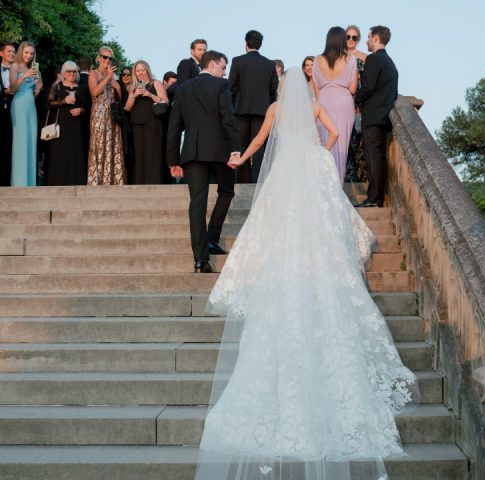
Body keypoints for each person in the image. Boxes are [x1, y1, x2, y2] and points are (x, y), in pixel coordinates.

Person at [195, 67, 419, 480]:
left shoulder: (277, 108)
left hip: (284, 177)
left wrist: (239, 157)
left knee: (278, 226)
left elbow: (260, 142)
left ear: (283, 90)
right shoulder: (315, 105)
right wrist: (319, 153)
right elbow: (335, 137)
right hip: (309, 173)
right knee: (318, 227)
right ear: (307, 89)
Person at [167, 50, 241, 272]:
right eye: (222, 66)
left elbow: (174, 127)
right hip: (220, 151)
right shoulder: (221, 85)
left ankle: (201, 260)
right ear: (211, 64)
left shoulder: (182, 89)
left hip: (192, 151)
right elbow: (228, 119)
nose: (225, 70)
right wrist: (236, 149)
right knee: (226, 191)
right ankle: (211, 238)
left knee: (196, 203)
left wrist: (173, 160)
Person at [355, 26, 397, 208]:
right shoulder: (390, 62)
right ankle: (377, 197)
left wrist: (356, 99)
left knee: (373, 158)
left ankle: (373, 198)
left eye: (368, 37)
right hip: (384, 117)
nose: (366, 41)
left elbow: (368, 86)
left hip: (372, 116)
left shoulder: (373, 59)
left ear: (376, 38)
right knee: (379, 157)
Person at [229, 30, 278, 183]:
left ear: (246, 44)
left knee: (240, 145)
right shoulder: (269, 64)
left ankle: (241, 181)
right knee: (259, 146)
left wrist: (236, 103)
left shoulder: (237, 61)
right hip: (262, 111)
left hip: (240, 111)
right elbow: (273, 88)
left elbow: (231, 87)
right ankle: (258, 180)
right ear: (260, 44)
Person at [313, 26, 358, 184]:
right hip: (344, 103)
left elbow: (316, 87)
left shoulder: (317, 60)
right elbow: (353, 88)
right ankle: (337, 185)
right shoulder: (351, 59)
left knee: (324, 143)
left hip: (323, 101)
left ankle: (323, 183)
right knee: (341, 146)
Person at [87, 46, 126, 185]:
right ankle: (98, 181)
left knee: (112, 145)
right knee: (99, 145)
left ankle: (113, 180)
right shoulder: (94, 73)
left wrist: (118, 87)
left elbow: (119, 100)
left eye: (110, 58)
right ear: (99, 58)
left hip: (112, 115)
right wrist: (108, 77)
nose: (107, 60)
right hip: (99, 114)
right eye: (104, 57)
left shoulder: (114, 77)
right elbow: (95, 92)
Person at [125, 60, 168, 184]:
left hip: (152, 124)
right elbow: (127, 108)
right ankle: (140, 184)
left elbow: (165, 102)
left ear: (147, 70)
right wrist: (133, 96)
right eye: (137, 71)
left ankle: (154, 183)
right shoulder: (133, 87)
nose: (140, 73)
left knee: (152, 154)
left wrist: (149, 94)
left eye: (142, 70)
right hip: (137, 125)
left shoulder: (156, 83)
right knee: (139, 156)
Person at [46, 61, 88, 185]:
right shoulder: (57, 86)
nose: (72, 74)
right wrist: (63, 101)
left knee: (75, 154)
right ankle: (58, 183)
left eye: (74, 71)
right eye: (69, 71)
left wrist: (81, 110)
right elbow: (48, 104)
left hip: (76, 127)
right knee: (60, 155)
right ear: (64, 73)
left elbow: (87, 106)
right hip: (61, 126)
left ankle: (76, 183)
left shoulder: (82, 88)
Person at [9, 41, 42, 186]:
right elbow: (13, 88)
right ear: (21, 52)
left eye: (31, 53)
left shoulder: (35, 69)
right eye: (26, 52)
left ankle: (30, 182)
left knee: (31, 141)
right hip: (19, 105)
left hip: (31, 105)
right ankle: (19, 182)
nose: (29, 55)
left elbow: (34, 94)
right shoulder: (15, 66)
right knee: (20, 142)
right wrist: (24, 76)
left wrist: (39, 89)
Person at [345, 25, 368, 183]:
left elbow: (367, 82)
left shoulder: (364, 57)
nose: (351, 40)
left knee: (357, 141)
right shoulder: (338, 56)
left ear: (358, 39)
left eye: (354, 37)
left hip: (358, 102)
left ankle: (356, 178)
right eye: (348, 37)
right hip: (342, 101)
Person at [0, 42, 15, 186]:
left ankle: (7, 182)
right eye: (9, 51)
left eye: (13, 51)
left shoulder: (18, 70)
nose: (11, 53)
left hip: (13, 110)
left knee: (10, 145)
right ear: (1, 53)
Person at [77, 56, 93, 164]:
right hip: (92, 117)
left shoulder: (75, 80)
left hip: (76, 119)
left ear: (78, 67)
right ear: (91, 68)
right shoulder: (94, 81)